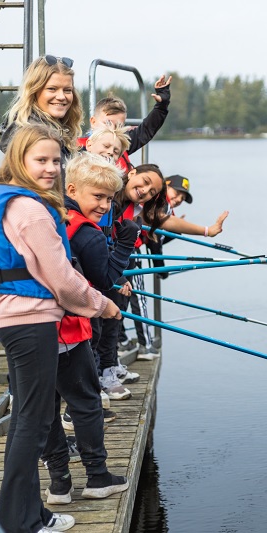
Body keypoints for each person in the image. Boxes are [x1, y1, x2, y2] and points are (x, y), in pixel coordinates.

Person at [0, 124, 120, 533]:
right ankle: (19, 522)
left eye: (56, 160)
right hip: (31, 322)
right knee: (32, 427)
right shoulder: (32, 210)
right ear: (19, 159)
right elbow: (64, 281)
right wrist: (103, 305)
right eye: (41, 160)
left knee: (25, 423)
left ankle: (30, 512)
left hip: (9, 316)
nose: (51, 168)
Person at [40, 152, 134, 506]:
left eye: (110, 199)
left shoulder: (51, 216)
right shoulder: (87, 234)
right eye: (98, 196)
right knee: (86, 402)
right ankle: (97, 477)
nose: (105, 205)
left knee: (47, 408)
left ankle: (60, 485)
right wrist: (125, 243)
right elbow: (105, 279)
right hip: (69, 329)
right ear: (73, 188)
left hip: (35, 328)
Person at [119, 174, 229, 359]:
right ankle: (145, 345)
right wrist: (161, 267)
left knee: (121, 298)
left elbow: (157, 237)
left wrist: (176, 229)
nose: (178, 200)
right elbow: (155, 241)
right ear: (165, 186)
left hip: (125, 251)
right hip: (130, 253)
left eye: (182, 198)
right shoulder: (162, 204)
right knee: (139, 299)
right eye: (177, 194)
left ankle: (121, 340)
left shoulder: (162, 205)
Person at [94, 163, 169, 399]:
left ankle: (107, 371)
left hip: (115, 267)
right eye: (145, 182)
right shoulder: (107, 194)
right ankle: (95, 378)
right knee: (96, 328)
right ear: (133, 172)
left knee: (114, 319)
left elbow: (162, 223)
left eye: (152, 192)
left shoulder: (134, 206)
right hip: (97, 268)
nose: (146, 191)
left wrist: (206, 230)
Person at [0, 54, 83, 180]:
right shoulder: (32, 134)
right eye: (52, 89)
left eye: (67, 90)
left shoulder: (58, 129)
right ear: (34, 91)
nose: (61, 96)